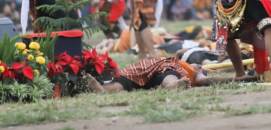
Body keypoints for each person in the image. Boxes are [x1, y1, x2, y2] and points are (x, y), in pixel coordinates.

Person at [89, 55, 256, 92]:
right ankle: (171, 86)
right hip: (165, 67)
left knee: (126, 82)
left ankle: (103, 89)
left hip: (149, 68)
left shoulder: (190, 70)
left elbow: (211, 76)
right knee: (169, 75)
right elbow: (209, 78)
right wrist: (242, 78)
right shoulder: (187, 67)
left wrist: (243, 78)